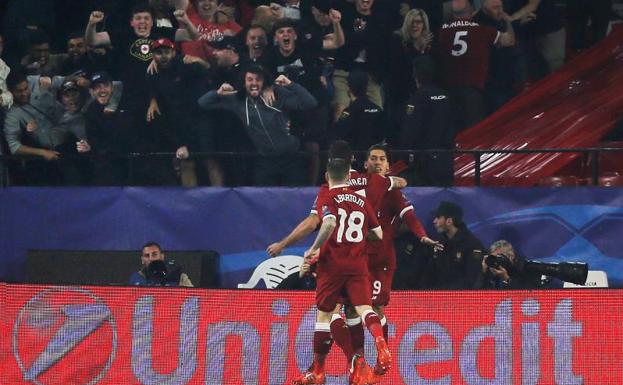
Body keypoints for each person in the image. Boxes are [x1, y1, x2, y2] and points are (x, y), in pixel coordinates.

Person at [293, 158, 389, 385]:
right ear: (349, 176)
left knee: (326, 315)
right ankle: (379, 344)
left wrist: (312, 249)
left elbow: (327, 224)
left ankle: (318, 371)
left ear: (327, 176)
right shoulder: (360, 199)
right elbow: (378, 234)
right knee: (364, 309)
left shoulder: (327, 196)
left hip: (332, 265)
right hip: (357, 264)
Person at [198, 68, 317, 186]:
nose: (254, 83)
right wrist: (218, 92)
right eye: (250, 80)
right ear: (244, 84)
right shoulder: (237, 100)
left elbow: (310, 102)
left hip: (291, 157)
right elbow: (203, 103)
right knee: (263, 198)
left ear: (264, 83)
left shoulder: (277, 95)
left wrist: (290, 84)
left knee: (295, 197)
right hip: (266, 160)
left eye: (258, 80)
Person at [436, 0, 515, 130]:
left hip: (447, 92)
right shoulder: (481, 30)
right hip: (473, 91)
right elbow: (509, 40)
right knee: (474, 132)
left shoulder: (442, 31)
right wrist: (508, 21)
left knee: (454, 131)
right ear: (473, 11)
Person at [146, 37, 211, 186]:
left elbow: (208, 70)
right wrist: (153, 100)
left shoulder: (186, 64)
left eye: (167, 52)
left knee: (210, 159)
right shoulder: (152, 72)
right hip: (178, 124)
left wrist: (200, 61)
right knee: (185, 161)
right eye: (159, 53)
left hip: (200, 119)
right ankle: (190, 204)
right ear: (153, 56)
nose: (163, 56)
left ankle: (220, 200)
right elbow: (152, 89)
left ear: (174, 53)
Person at [399, 56, 457, 186]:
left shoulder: (417, 98)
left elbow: (410, 131)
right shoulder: (446, 96)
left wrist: (406, 156)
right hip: (446, 160)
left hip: (424, 162)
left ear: (415, 74)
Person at [80, 71, 136, 185]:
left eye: (105, 86)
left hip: (133, 161)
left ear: (112, 88)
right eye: (97, 87)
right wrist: (88, 148)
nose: (102, 90)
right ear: (91, 92)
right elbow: (95, 143)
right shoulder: (90, 112)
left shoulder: (126, 103)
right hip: (109, 165)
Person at [387, 8, 433, 139]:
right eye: (412, 22)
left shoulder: (429, 44)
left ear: (424, 24)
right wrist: (417, 49)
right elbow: (399, 69)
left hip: (421, 96)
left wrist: (423, 49)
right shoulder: (397, 39)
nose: (415, 25)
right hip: (400, 94)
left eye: (418, 22)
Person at [422, 200, 484, 289]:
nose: (434, 221)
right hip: (438, 299)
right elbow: (430, 275)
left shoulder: (472, 245)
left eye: (438, 217)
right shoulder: (440, 244)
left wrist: (446, 292)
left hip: (462, 299)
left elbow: (472, 279)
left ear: (449, 221)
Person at [333, 69, 386, 154]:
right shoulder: (377, 109)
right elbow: (382, 134)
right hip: (373, 156)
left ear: (349, 88)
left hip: (356, 157)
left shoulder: (349, 112)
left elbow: (339, 131)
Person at [474, 239, 542, 289]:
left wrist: (507, 279)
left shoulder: (526, 267)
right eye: (495, 257)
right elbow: (476, 297)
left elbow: (530, 294)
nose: (496, 261)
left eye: (499, 257)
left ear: (511, 256)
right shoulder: (492, 269)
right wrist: (484, 273)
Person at [129, 241, 193, 287]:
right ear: (142, 260)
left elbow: (192, 298)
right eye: (147, 256)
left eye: (154, 254)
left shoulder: (179, 276)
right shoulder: (136, 278)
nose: (151, 258)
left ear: (162, 257)